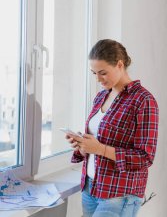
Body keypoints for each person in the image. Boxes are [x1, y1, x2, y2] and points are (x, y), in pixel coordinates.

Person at [65, 39, 159, 217]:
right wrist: (83, 146)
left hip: (120, 192)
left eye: (103, 73)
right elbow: (99, 141)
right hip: (90, 186)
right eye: (94, 73)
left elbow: (145, 157)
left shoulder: (143, 100)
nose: (98, 79)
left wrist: (100, 149)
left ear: (119, 65)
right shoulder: (101, 96)